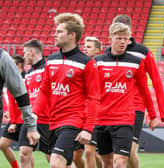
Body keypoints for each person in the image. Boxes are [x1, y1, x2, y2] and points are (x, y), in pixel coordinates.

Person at [33, 13, 100, 168]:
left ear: (72, 35)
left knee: (56, 163)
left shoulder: (86, 63)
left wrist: (88, 129)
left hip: (73, 121)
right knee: (64, 164)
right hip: (52, 121)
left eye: (59, 32)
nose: (54, 34)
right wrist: (34, 115)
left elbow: (93, 98)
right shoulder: (51, 59)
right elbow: (44, 90)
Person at [94, 22, 158, 168]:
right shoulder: (98, 62)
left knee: (121, 161)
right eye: (119, 38)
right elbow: (91, 93)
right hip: (101, 118)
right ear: (110, 38)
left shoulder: (135, 62)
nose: (123, 42)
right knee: (107, 162)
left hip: (124, 119)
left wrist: (153, 115)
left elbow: (144, 90)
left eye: (126, 38)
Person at [112, 14, 164, 168]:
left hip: (134, 107)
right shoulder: (107, 55)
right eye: (116, 32)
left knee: (127, 152)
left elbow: (156, 82)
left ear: (130, 31)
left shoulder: (142, 52)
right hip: (111, 109)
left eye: (123, 32)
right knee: (111, 156)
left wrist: (158, 115)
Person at [19, 39, 51, 168]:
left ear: (31, 52)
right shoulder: (28, 73)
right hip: (31, 119)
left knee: (52, 157)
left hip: (46, 118)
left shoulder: (48, 68)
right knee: (24, 153)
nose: (23, 56)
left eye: (24, 52)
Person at [73, 36, 103, 168]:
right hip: (78, 113)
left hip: (94, 114)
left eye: (89, 47)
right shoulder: (78, 66)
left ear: (97, 50)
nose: (85, 48)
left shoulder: (100, 67)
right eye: (84, 46)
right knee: (76, 155)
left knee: (90, 151)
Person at [0, 48, 40, 147]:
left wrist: (30, 122)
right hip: (19, 118)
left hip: (25, 118)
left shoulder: (2, 57)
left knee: (25, 150)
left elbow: (23, 96)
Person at [0, 55, 28, 168]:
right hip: (15, 119)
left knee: (25, 150)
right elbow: (12, 102)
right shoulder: (10, 80)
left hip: (26, 119)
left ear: (19, 65)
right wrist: (12, 119)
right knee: (3, 145)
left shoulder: (27, 79)